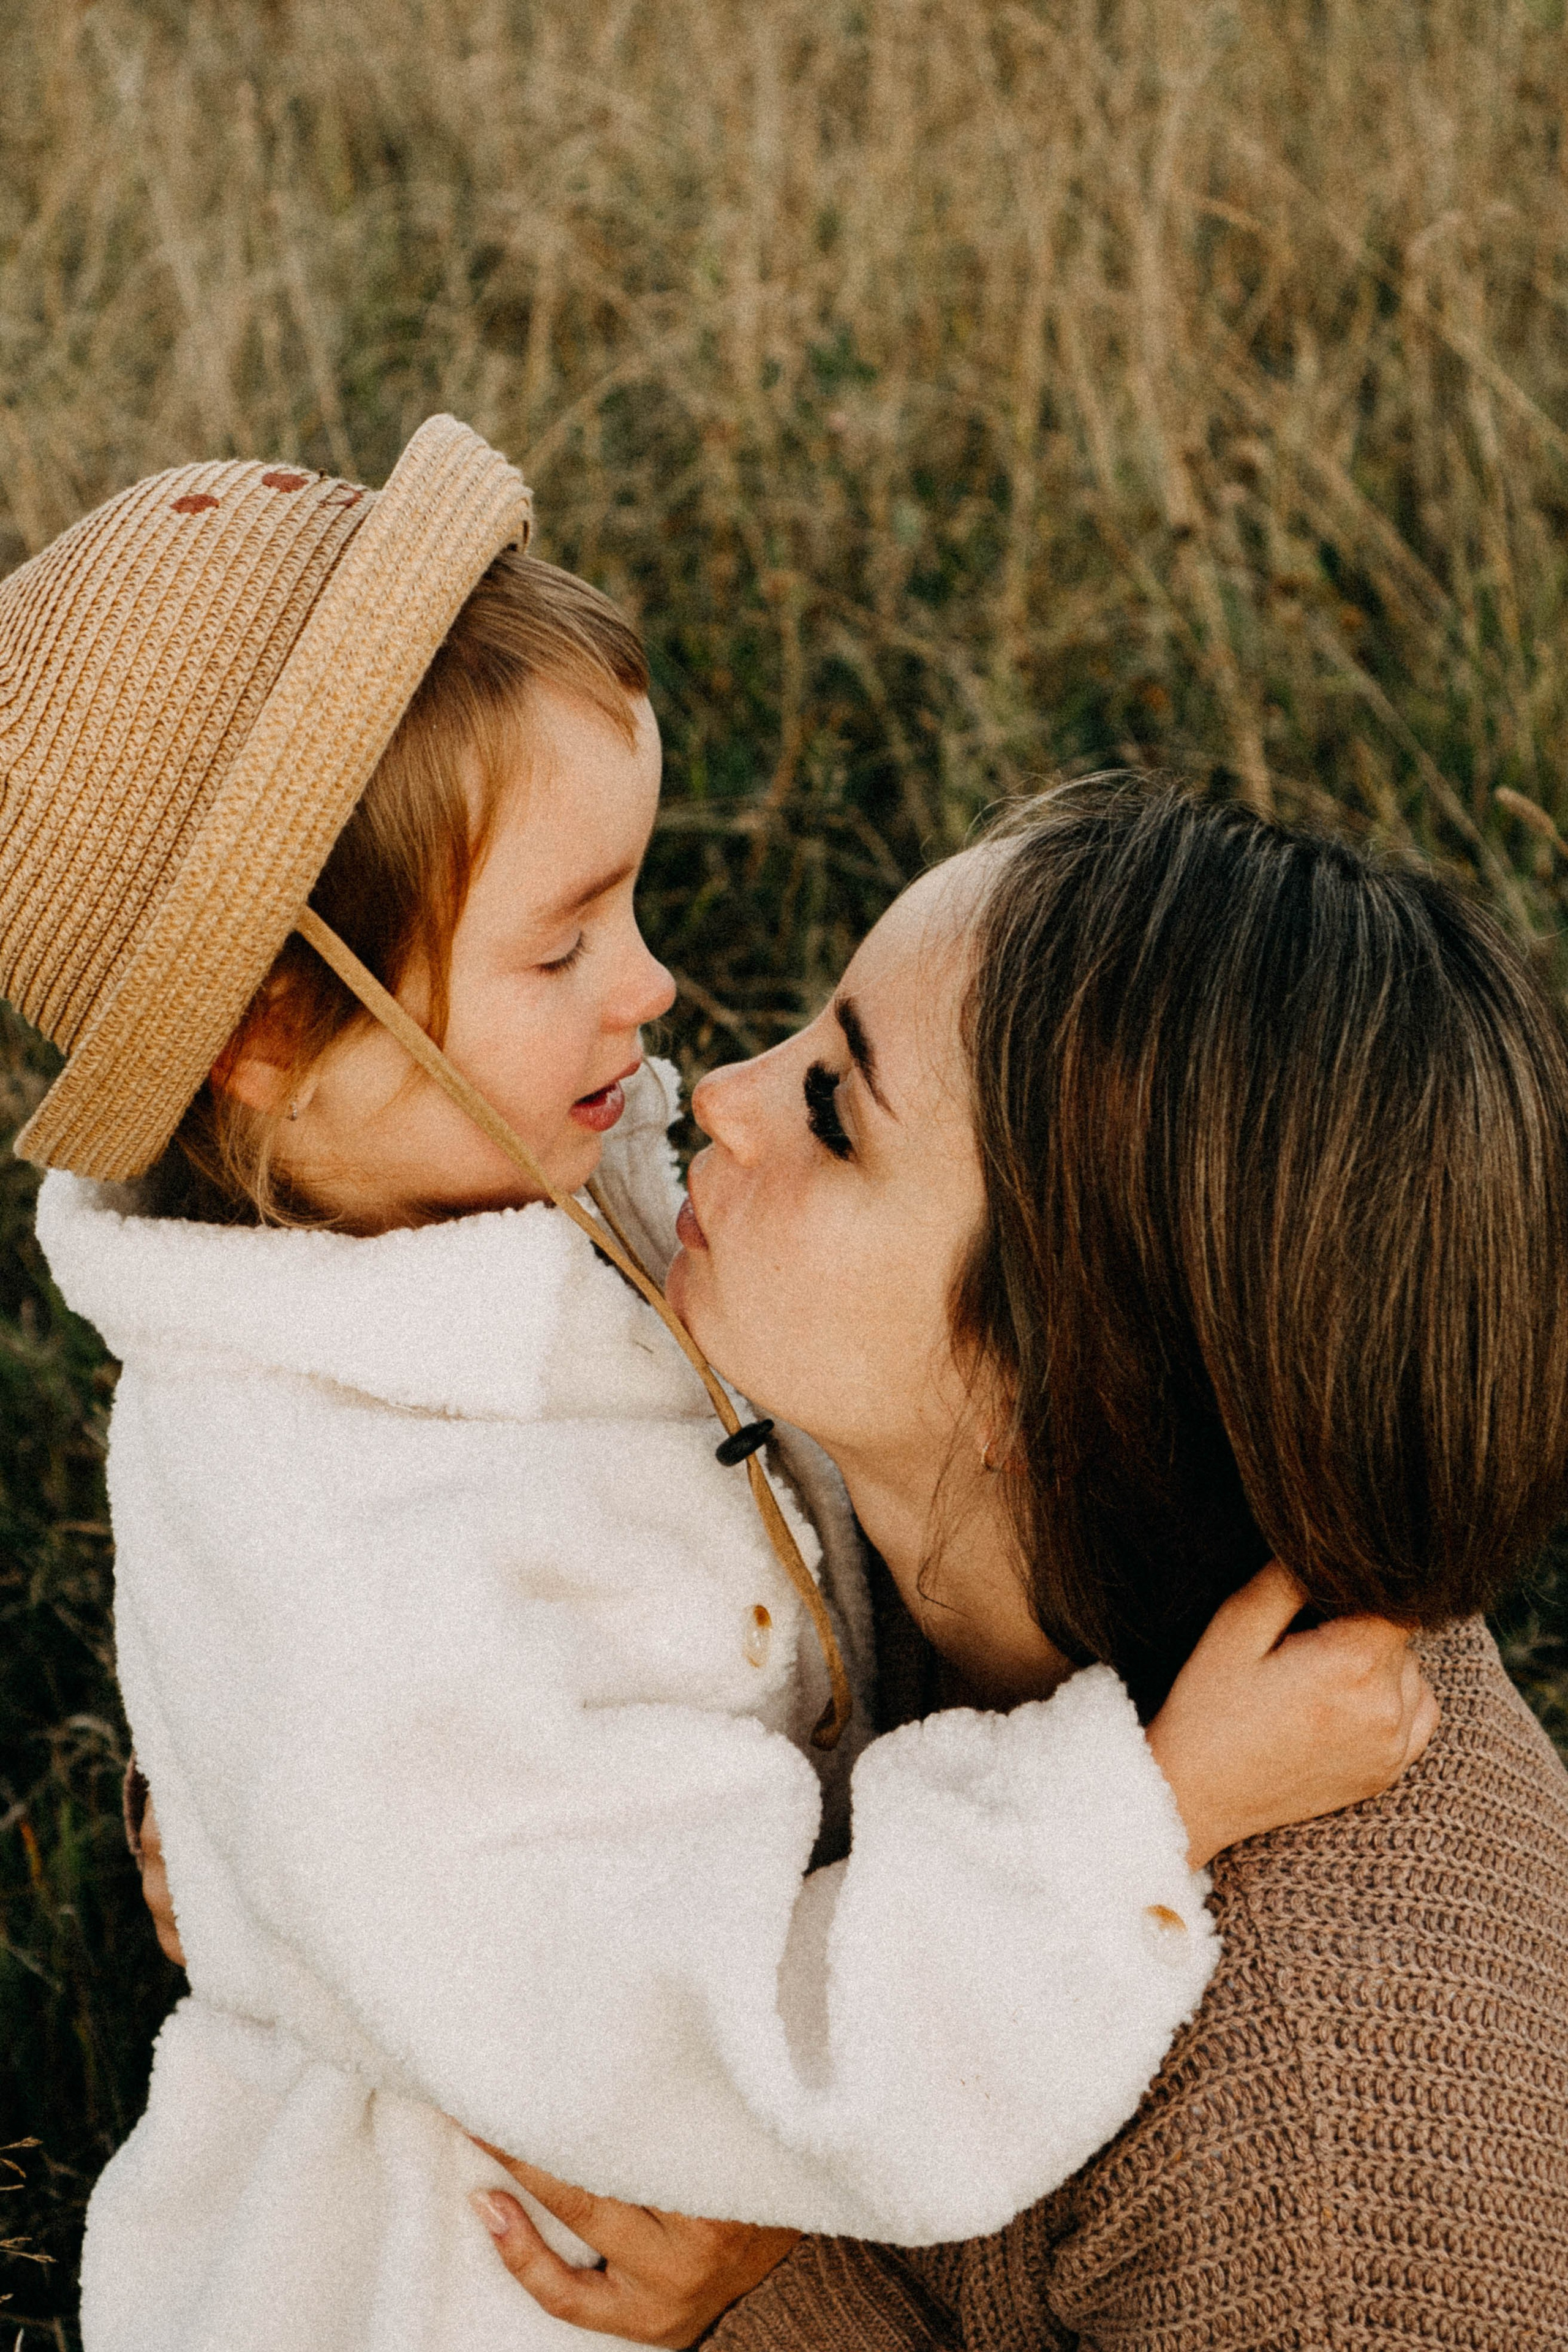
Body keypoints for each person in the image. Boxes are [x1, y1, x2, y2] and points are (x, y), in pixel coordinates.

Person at [0, 423, 1424, 2352]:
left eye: (634, 900)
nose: (658, 993)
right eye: (563, 941)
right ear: (275, 1026)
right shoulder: (363, 1576)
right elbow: (772, 2055)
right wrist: (1157, 1809)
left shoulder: (472, 1164)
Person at [458, 783, 1568, 2351]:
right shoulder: (891, 1496)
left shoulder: (1314, 2174)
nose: (715, 1091)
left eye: (837, 1111)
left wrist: (774, 2263)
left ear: (1050, 1388)